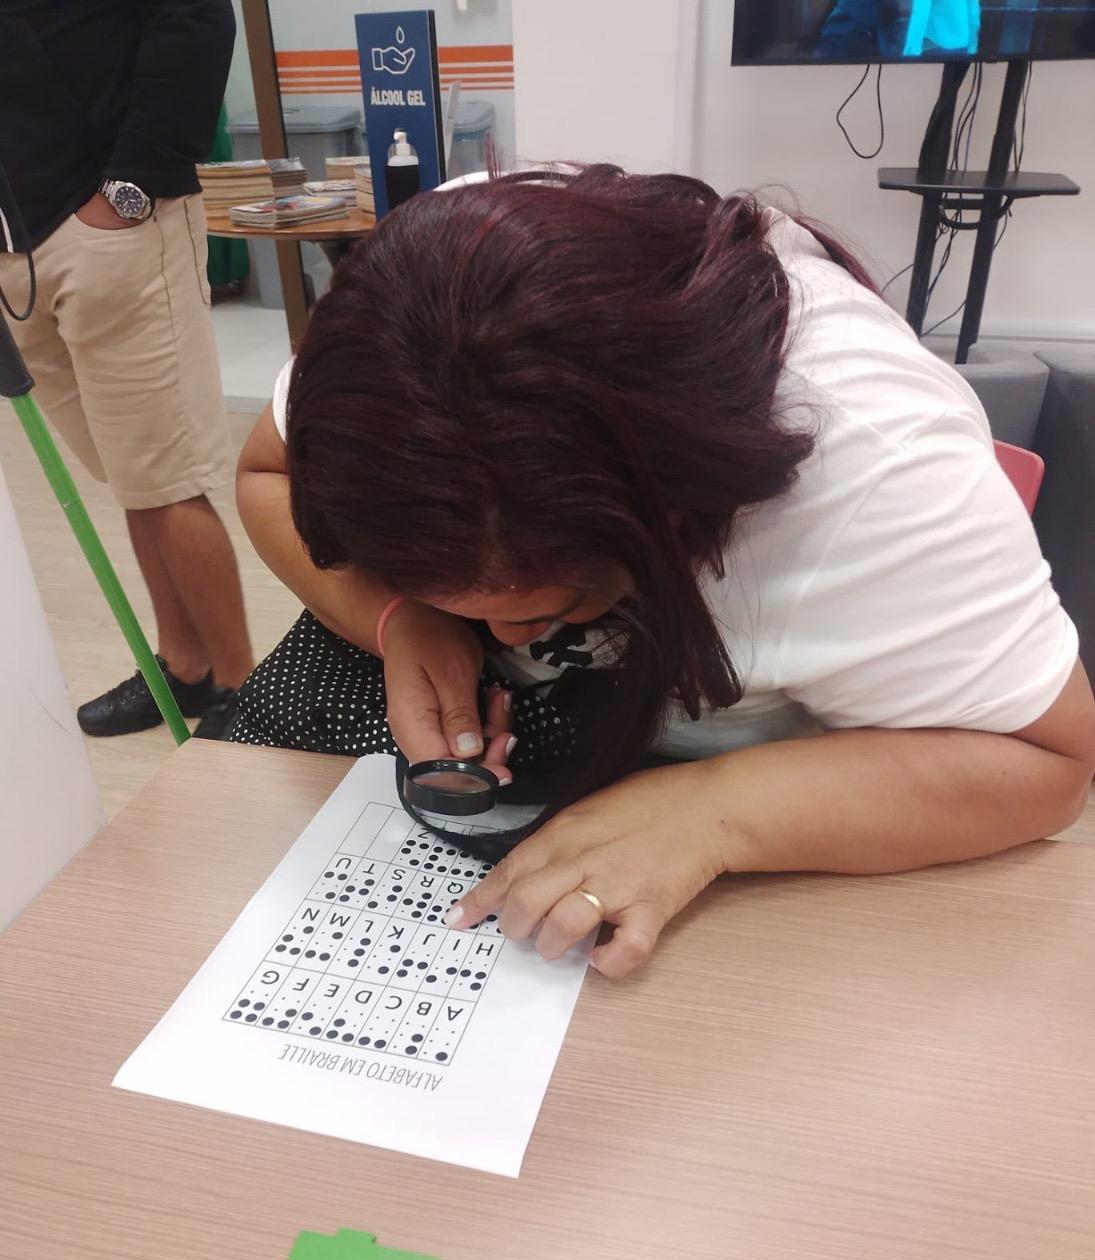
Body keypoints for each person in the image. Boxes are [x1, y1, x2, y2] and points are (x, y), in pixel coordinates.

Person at [231, 166, 1095, 978]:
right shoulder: (407, 320)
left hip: (763, 771)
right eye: (465, 599)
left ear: (684, 512)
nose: (505, 634)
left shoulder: (876, 473)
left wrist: (715, 815)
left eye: (560, 598)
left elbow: (1050, 766)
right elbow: (266, 472)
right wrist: (400, 615)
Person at [0, 0, 253, 738]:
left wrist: (133, 186)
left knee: (166, 478)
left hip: (111, 223)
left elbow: (196, 16)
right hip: (18, 250)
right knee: (132, 475)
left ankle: (244, 690)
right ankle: (186, 666)